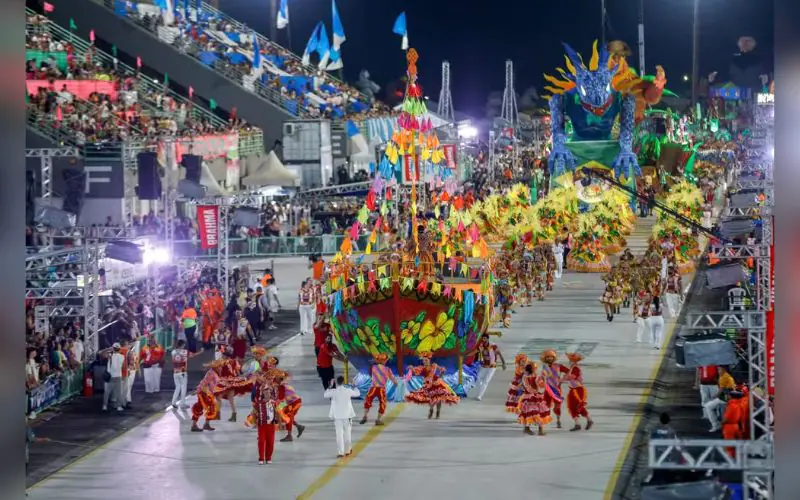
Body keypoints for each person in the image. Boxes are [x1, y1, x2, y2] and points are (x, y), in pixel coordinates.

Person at [405, 352, 460, 419]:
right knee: (431, 399)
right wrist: (411, 368)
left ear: (429, 360)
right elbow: (415, 371)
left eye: (426, 360)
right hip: (429, 386)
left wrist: (440, 376)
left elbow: (442, 370)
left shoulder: (434, 365)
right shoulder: (421, 368)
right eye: (424, 360)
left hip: (437, 384)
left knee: (439, 398)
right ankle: (431, 410)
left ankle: (438, 412)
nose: (425, 362)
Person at [324, 375, 360, 458]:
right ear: (343, 382)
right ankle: (347, 451)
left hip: (337, 416)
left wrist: (330, 386)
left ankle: (340, 452)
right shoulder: (348, 390)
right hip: (347, 416)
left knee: (339, 435)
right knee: (347, 434)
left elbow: (325, 394)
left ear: (336, 383)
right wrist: (354, 385)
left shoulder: (334, 391)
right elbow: (358, 394)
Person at [360, 353, 396, 426]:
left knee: (368, 401)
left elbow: (371, 375)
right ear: (384, 360)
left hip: (373, 388)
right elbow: (393, 379)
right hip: (381, 389)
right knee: (382, 403)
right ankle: (378, 420)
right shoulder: (387, 369)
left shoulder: (373, 367)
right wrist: (396, 383)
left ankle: (365, 416)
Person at [251, 372, 280, 464]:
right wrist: (255, 422)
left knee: (270, 442)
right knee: (261, 441)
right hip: (262, 424)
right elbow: (254, 411)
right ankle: (261, 458)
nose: (267, 394)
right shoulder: (259, 402)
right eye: (265, 392)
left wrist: (279, 422)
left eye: (272, 378)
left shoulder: (273, 401)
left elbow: (278, 411)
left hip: (271, 423)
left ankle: (268, 458)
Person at [468, 333, 507, 401]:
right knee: (478, 378)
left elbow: (499, 354)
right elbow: (474, 352)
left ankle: (479, 396)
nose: (483, 340)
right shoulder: (481, 346)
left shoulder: (493, 346)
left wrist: (504, 363)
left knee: (486, 381)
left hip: (492, 367)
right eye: (482, 339)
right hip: (485, 366)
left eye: (485, 338)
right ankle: (481, 388)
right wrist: (465, 355)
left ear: (488, 339)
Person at [516, 362, 550, 435]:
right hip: (530, 397)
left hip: (535, 396)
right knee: (530, 413)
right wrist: (535, 391)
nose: (535, 369)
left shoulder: (536, 376)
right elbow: (528, 387)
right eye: (534, 368)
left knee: (538, 412)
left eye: (535, 368)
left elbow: (541, 385)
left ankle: (539, 429)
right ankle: (529, 428)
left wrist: (544, 379)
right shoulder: (526, 376)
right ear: (531, 369)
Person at [564, 352, 594, 431]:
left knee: (579, 406)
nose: (570, 361)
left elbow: (572, 377)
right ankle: (577, 424)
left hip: (578, 390)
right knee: (571, 407)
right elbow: (569, 377)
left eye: (571, 360)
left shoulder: (575, 368)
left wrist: (563, 378)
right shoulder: (572, 368)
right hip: (572, 390)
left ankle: (589, 420)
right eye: (570, 360)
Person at [191, 360, 223, 432]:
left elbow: (216, 384)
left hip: (208, 393)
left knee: (207, 407)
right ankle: (196, 425)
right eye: (219, 366)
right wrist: (198, 390)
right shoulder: (211, 373)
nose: (221, 368)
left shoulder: (215, 373)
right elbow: (204, 382)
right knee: (201, 408)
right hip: (204, 393)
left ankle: (204, 424)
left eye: (221, 366)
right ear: (216, 367)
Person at [540, 350, 569, 428]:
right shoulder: (544, 367)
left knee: (557, 406)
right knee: (545, 405)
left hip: (557, 389)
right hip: (547, 389)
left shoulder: (558, 366)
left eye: (551, 357)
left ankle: (558, 420)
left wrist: (562, 380)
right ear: (545, 358)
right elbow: (542, 378)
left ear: (554, 358)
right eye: (548, 357)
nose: (550, 358)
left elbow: (569, 371)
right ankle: (544, 421)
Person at [703, 366, 736, 433]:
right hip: (728, 396)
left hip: (725, 397)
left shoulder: (723, 377)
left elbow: (721, 390)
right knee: (716, 408)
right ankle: (718, 424)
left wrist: (713, 397)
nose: (718, 371)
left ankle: (716, 425)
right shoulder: (727, 376)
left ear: (724, 369)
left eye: (719, 369)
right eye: (718, 370)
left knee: (708, 406)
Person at [276, 371, 306, 441]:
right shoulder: (283, 385)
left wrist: (277, 405)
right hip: (293, 402)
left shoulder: (281, 386)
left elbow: (281, 399)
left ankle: (290, 435)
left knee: (288, 416)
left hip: (295, 403)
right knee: (285, 415)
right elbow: (285, 399)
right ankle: (298, 426)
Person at [102, 342, 125, 412]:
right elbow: (123, 366)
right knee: (119, 392)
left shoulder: (110, 355)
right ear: (119, 349)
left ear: (113, 348)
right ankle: (119, 407)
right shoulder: (122, 356)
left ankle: (105, 406)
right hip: (118, 376)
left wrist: (108, 349)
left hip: (110, 376)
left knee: (107, 392)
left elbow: (101, 353)